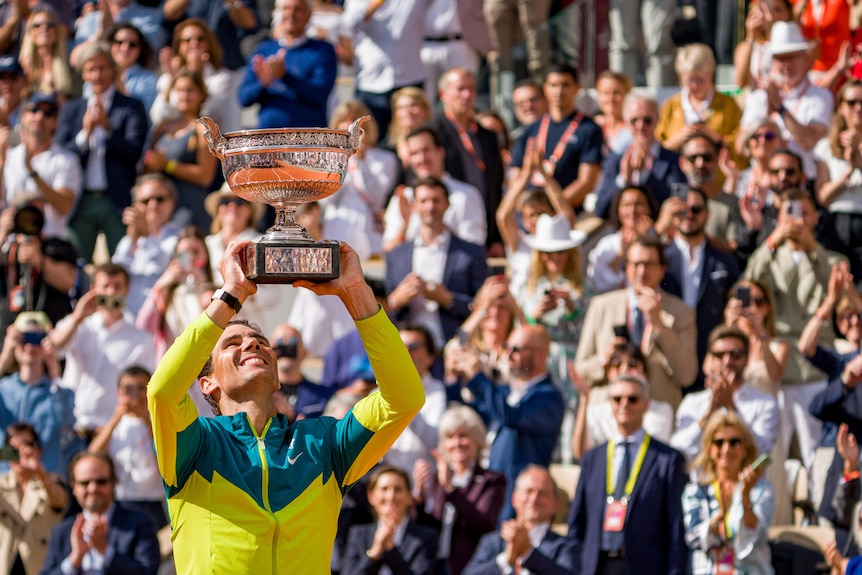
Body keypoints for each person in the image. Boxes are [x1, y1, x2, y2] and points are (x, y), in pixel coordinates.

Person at [146, 239, 425, 573]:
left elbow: (404, 399)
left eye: (262, 343)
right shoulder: (193, 442)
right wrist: (230, 296)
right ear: (206, 382)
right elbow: (162, 391)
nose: (251, 342)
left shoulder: (325, 443)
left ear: (277, 378)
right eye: (232, 343)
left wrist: (356, 293)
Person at [566, 374, 688, 575]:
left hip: (645, 567)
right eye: (617, 399)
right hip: (596, 565)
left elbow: (675, 526)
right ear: (610, 405)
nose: (624, 404)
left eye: (633, 399)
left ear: (646, 404)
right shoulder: (593, 458)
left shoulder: (668, 459)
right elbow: (577, 522)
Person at [447, 324, 564, 521]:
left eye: (516, 349)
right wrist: (457, 376)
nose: (508, 354)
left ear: (540, 355)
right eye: (507, 347)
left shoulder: (549, 397)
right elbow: (475, 411)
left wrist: (478, 376)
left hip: (521, 499)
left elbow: (511, 417)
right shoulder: (508, 392)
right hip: (496, 493)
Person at [575, 236, 698, 410]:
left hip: (658, 413)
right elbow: (580, 370)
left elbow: (686, 375)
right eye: (636, 264)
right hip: (609, 412)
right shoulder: (601, 306)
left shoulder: (681, 312)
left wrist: (659, 325)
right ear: (626, 268)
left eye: (649, 264)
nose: (642, 271)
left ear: (663, 269)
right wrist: (605, 358)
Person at [55, 42, 149, 263]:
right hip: (81, 199)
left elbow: (133, 151)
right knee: (76, 263)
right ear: (83, 73)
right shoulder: (72, 109)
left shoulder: (131, 106)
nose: (97, 75)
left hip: (116, 198)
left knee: (122, 262)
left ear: (112, 70)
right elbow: (62, 152)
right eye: (90, 69)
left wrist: (107, 128)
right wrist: (85, 134)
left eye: (101, 68)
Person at [49, 263, 155, 439]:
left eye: (117, 286)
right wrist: (78, 316)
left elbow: (145, 387)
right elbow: (54, 347)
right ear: (93, 290)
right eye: (105, 286)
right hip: (77, 425)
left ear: (127, 290)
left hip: (118, 431)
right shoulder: (80, 324)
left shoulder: (142, 339)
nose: (111, 291)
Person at [384, 175, 488, 348]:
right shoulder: (396, 254)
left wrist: (448, 300)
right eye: (424, 200)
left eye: (436, 200)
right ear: (414, 206)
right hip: (406, 349)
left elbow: (482, 305)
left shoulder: (471, 252)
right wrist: (397, 300)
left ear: (447, 205)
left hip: (452, 346)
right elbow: (383, 305)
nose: (430, 206)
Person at [412, 404, 506, 575]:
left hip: (470, 565)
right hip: (435, 563)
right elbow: (431, 525)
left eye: (463, 436)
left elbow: (484, 523)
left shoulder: (491, 481)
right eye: (450, 437)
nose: (456, 443)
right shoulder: (440, 477)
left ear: (477, 439)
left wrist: (451, 489)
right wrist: (419, 494)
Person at [661, 186, 740, 383]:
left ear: (707, 213)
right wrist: (659, 226)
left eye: (695, 209)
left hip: (712, 357)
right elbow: (629, 272)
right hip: (668, 357)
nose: (689, 215)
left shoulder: (725, 261)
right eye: (681, 210)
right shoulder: (658, 258)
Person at [682, 411, 775, 574]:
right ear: (709, 449)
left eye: (735, 442)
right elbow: (693, 538)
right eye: (719, 442)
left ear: (746, 448)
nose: (726, 449)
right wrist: (713, 525)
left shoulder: (760, 489)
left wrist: (745, 497)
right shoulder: (695, 491)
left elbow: (758, 537)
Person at [670, 325, 780, 462]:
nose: (727, 361)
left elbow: (762, 453)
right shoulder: (693, 401)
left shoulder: (765, 403)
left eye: (736, 354)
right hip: (701, 481)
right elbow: (678, 452)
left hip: (746, 482)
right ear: (710, 358)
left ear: (747, 358)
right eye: (719, 355)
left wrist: (731, 407)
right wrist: (710, 412)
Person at [40, 452, 160, 575]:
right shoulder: (61, 532)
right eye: (85, 483)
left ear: (113, 482)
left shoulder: (139, 523)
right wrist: (75, 558)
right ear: (74, 487)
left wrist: (105, 550)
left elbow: (148, 572)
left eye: (101, 481)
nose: (93, 488)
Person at [430, 67, 505, 255]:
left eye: (471, 89)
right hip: (449, 232)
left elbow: (495, 188)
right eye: (460, 89)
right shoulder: (432, 134)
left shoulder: (488, 136)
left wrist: (496, 238)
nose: (467, 95)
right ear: (443, 94)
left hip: (484, 234)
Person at [509, 64, 603, 211]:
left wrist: (551, 209)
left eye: (565, 85)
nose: (559, 91)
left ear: (577, 88)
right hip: (530, 217)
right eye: (553, 85)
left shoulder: (589, 129)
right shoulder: (532, 128)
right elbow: (515, 174)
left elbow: (586, 182)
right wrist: (529, 210)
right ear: (545, 89)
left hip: (567, 216)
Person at [381, 125, 487, 251]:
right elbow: (388, 251)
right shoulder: (402, 198)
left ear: (441, 151)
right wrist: (405, 225)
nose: (422, 158)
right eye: (414, 153)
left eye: (426, 150)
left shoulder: (466, 196)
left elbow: (474, 248)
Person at [88, 366, 167, 531]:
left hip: (154, 503)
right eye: (129, 389)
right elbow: (92, 458)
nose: (136, 395)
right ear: (119, 392)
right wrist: (116, 417)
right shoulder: (112, 427)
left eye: (141, 388)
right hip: (121, 501)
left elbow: (166, 460)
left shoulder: (160, 424)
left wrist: (148, 419)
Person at [239, 0, 337, 130]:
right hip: (268, 139)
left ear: (308, 15)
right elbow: (244, 98)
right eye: (285, 8)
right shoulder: (264, 50)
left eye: (297, 9)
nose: (290, 14)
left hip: (308, 140)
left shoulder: (322, 51)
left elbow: (319, 95)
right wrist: (264, 83)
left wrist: (284, 76)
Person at [320, 101, 398, 261]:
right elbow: (326, 201)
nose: (350, 125)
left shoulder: (384, 159)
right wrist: (344, 162)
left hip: (371, 233)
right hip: (339, 231)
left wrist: (361, 161)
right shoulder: (328, 160)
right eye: (345, 120)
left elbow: (377, 199)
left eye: (355, 119)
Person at [463, 465, 578, 575]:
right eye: (529, 491)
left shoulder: (566, 547)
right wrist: (506, 560)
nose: (534, 499)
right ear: (514, 499)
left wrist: (528, 553)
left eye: (543, 494)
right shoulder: (492, 543)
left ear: (556, 504)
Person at [571, 341, 676, 459]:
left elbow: (654, 453)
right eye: (617, 365)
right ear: (608, 373)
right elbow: (582, 454)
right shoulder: (596, 411)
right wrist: (583, 401)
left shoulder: (662, 410)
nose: (624, 370)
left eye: (632, 365)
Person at [0, 312, 75, 477]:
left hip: (45, 480)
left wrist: (54, 369)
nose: (29, 346)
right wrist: (4, 357)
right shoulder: (3, 388)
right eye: (23, 338)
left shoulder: (59, 391)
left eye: (37, 339)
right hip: (5, 481)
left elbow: (66, 422)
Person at [142, 70, 217, 232]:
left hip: (188, 209)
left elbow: (205, 176)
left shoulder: (203, 129)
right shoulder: (163, 127)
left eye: (189, 90)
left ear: (201, 94)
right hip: (160, 209)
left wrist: (167, 165)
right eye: (179, 90)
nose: (184, 95)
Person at [1, 92, 82, 242]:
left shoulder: (66, 159)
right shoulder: (8, 155)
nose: (39, 117)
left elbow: (64, 205)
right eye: (34, 110)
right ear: (23, 116)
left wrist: (32, 172)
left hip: (50, 244)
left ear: (56, 121)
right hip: (10, 242)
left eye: (47, 113)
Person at [594, 93, 687, 219]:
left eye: (647, 120)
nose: (640, 126)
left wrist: (645, 174)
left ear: (658, 121)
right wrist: (624, 178)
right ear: (626, 122)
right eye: (634, 120)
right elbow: (601, 209)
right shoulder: (614, 159)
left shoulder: (673, 160)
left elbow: (680, 205)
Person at [341, 0, 427, 135]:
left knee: (413, 138)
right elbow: (348, 24)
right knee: (369, 139)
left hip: (409, 78)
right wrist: (375, 4)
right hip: (370, 83)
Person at [341, 464, 438, 574]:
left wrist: (390, 549)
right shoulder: (358, 534)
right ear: (371, 496)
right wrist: (374, 554)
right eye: (384, 489)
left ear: (409, 497)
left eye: (398, 489)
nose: (391, 496)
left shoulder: (426, 538)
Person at [135, 226, 214, 361]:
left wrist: (204, 287)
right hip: (172, 363)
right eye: (184, 254)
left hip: (204, 363)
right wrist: (159, 287)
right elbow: (143, 326)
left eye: (196, 252)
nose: (191, 258)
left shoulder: (215, 289)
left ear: (205, 255)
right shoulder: (165, 293)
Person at [0, 422, 67, 574]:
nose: (21, 453)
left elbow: (58, 500)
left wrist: (40, 472)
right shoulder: (1, 484)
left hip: (38, 565)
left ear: (39, 449)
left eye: (27, 445)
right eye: (13, 449)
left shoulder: (52, 481)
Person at [111, 174, 181, 317]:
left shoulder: (183, 237)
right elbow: (114, 275)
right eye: (145, 201)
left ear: (172, 203)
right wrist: (133, 237)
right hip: (130, 326)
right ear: (135, 205)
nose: (153, 205)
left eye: (159, 199)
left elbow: (175, 269)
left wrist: (146, 235)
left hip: (164, 325)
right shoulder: (128, 240)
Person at [655, 44, 742, 158]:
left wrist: (715, 138)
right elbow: (655, 147)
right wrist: (681, 137)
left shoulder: (728, 104)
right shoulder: (670, 105)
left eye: (700, 80)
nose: (695, 86)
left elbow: (741, 146)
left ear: (711, 74)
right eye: (690, 80)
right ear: (681, 77)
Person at [150, 18, 237, 132]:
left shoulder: (221, 78)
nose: (194, 44)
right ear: (179, 46)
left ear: (208, 43)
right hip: (175, 141)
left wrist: (197, 75)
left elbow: (207, 115)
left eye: (200, 39)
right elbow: (159, 117)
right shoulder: (168, 78)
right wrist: (173, 80)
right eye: (187, 40)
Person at [814, 80, 862, 286]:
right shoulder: (826, 146)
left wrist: (858, 160)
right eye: (851, 102)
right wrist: (849, 171)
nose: (858, 108)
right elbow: (823, 196)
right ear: (841, 107)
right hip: (835, 224)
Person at [384, 324, 446, 474]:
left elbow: (434, 442)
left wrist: (406, 401)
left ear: (430, 357)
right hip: (386, 481)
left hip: (422, 480)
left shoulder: (437, 392)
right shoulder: (379, 390)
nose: (406, 351)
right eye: (400, 345)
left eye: (414, 346)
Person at [587, 185, 657, 294]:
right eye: (627, 205)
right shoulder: (608, 244)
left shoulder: (660, 240)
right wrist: (622, 254)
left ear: (649, 208)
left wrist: (647, 238)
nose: (633, 210)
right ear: (618, 210)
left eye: (638, 204)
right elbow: (597, 283)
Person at [268, 323, 333, 422]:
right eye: (280, 343)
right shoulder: (262, 395)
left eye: (292, 343)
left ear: (305, 352)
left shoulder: (324, 396)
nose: (287, 346)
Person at [18, 10, 74, 101]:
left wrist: (54, 89)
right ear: (30, 32)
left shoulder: (69, 63)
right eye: (37, 25)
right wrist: (25, 81)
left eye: (49, 25)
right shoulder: (22, 65)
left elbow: (71, 106)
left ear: (56, 32)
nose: (43, 28)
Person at [106, 22, 159, 113]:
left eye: (132, 44)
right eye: (119, 42)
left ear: (140, 49)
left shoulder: (149, 79)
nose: (125, 48)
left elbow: (143, 114)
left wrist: (119, 83)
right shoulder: (96, 74)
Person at [594, 71, 633, 154]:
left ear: (627, 95)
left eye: (616, 93)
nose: (611, 98)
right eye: (606, 93)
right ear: (598, 96)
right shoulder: (592, 125)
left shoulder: (636, 126)